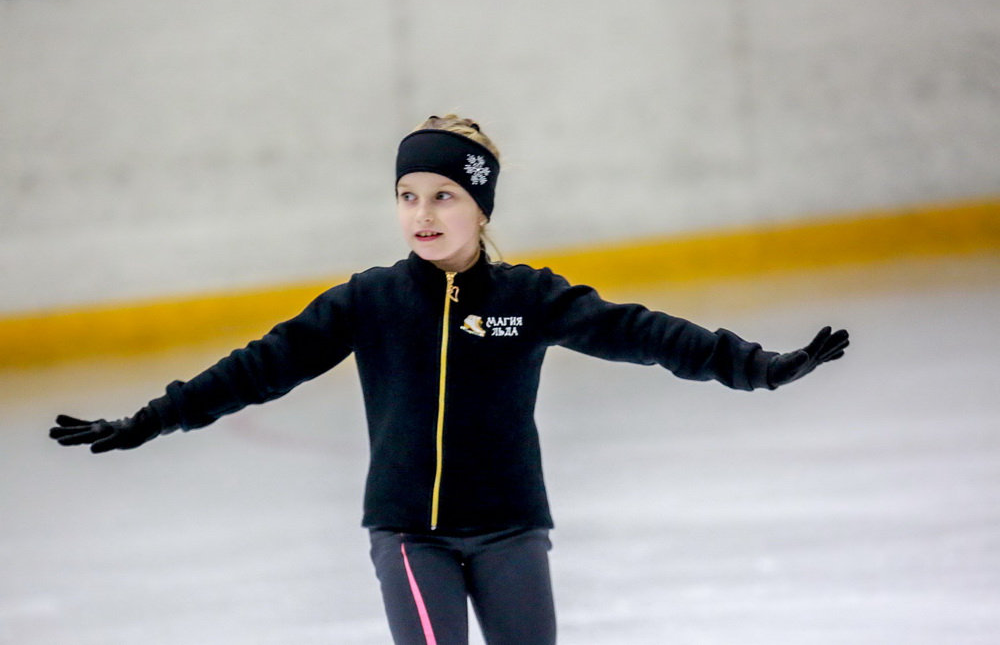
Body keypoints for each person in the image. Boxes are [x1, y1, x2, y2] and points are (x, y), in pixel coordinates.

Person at [50, 114, 850, 645]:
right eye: (407, 196)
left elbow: (644, 333)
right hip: (410, 531)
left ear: (481, 208)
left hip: (510, 527)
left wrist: (757, 367)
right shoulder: (368, 300)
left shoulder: (529, 298)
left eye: (443, 195)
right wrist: (153, 417)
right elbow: (258, 367)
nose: (422, 213)